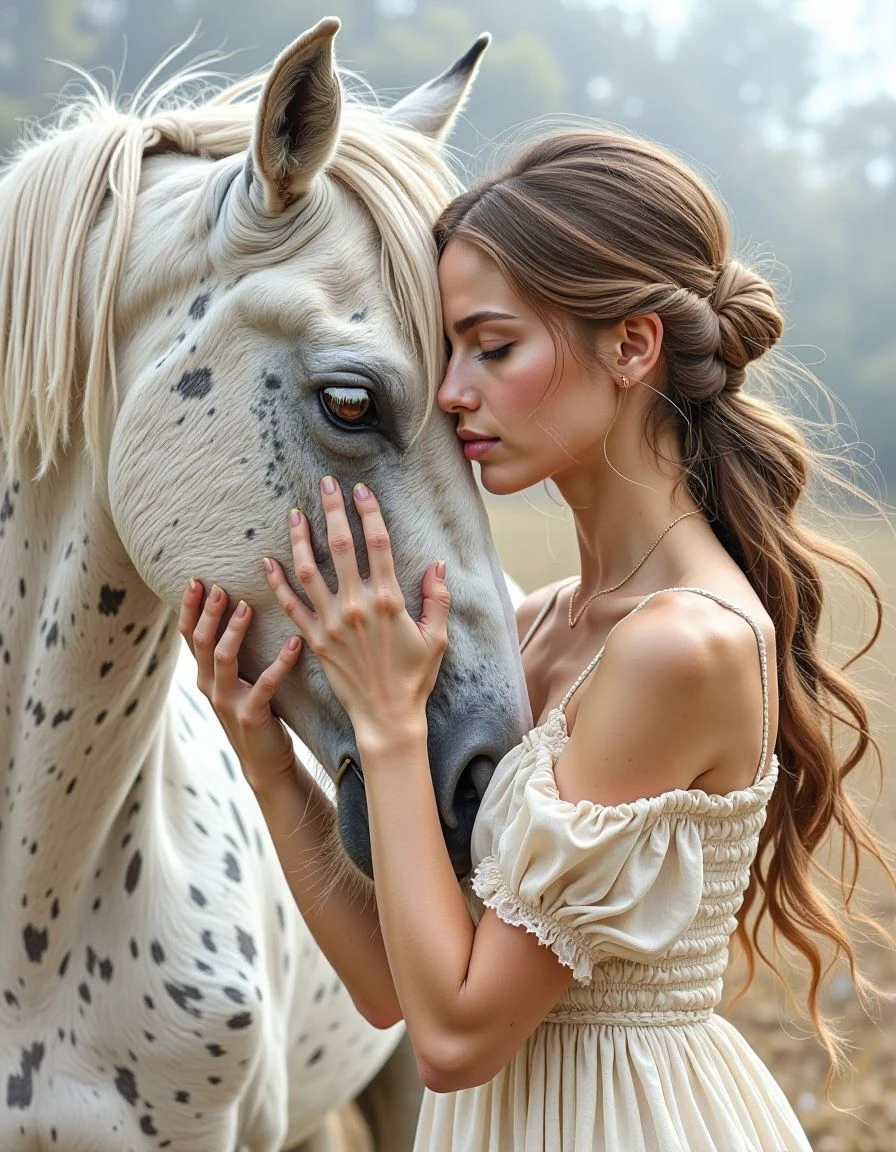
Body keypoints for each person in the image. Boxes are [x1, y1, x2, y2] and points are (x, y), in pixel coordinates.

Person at [179, 128, 891, 1151]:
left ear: (632, 347)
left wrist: (387, 726)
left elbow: (458, 1040)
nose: (450, 392)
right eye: (445, 351)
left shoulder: (678, 645)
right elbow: (395, 990)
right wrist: (267, 764)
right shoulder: (537, 623)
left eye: (491, 346)